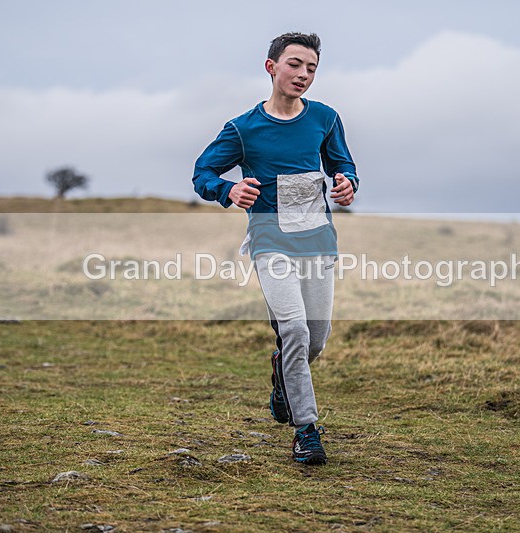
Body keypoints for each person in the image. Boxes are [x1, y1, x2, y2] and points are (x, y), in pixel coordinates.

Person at [192, 32, 359, 465]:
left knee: (314, 341)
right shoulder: (243, 129)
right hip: (271, 245)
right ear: (272, 67)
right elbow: (203, 172)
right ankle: (306, 431)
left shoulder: (325, 118)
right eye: (295, 64)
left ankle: (282, 372)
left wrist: (346, 183)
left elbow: (343, 164)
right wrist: (228, 190)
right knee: (296, 332)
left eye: (311, 68)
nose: (303, 74)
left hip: (319, 243)